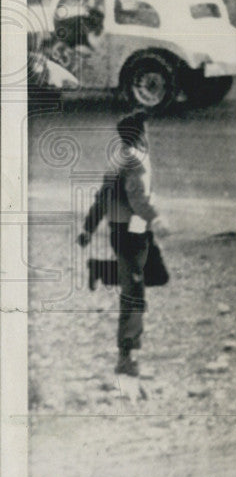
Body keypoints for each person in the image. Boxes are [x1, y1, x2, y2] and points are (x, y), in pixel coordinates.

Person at [76, 111, 169, 377]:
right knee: (134, 295)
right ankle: (126, 357)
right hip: (132, 234)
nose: (148, 135)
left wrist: (88, 229)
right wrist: (157, 218)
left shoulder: (117, 159)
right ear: (140, 134)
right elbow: (137, 199)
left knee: (156, 275)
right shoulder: (135, 161)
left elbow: (102, 199)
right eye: (145, 130)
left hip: (122, 232)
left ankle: (102, 270)